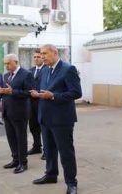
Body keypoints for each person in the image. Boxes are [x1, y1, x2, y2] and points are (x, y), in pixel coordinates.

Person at [30, 44, 82, 194]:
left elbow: (77, 93)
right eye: (41, 54)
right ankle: (51, 174)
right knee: (49, 150)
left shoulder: (68, 69)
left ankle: (71, 183)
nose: (42, 56)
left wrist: (53, 96)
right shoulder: (45, 70)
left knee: (66, 152)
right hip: (45, 118)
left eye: (45, 53)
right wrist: (38, 94)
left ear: (55, 53)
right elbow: (45, 91)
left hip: (62, 119)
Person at [0, 54, 33, 174]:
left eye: (8, 63)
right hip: (7, 111)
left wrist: (13, 91)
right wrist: (1, 91)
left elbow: (29, 93)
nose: (6, 66)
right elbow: (6, 92)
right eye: (5, 63)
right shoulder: (6, 75)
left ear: (16, 62)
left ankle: (23, 162)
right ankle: (15, 159)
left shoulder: (26, 74)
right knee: (11, 137)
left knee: (21, 138)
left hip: (20, 112)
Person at [28, 50, 46, 159]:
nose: (36, 59)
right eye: (34, 57)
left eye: (38, 56)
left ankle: (47, 150)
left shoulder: (47, 69)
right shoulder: (30, 70)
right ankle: (36, 146)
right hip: (31, 103)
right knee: (33, 126)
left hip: (43, 102)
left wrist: (38, 94)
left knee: (43, 127)